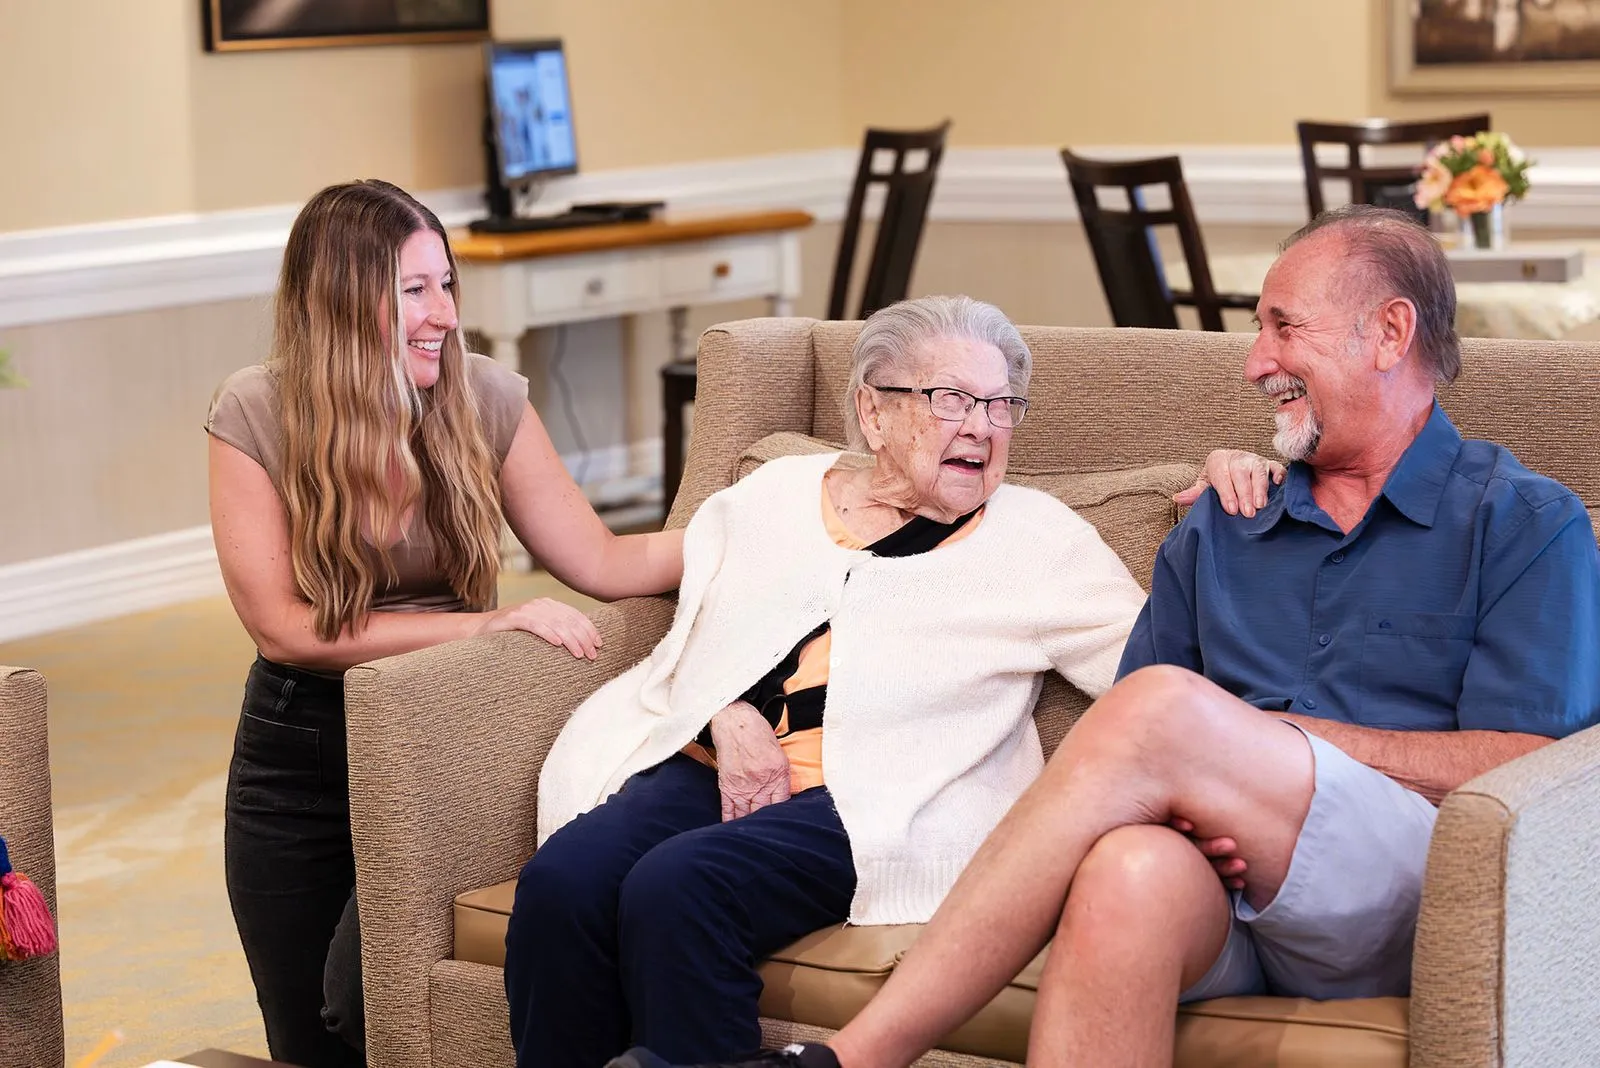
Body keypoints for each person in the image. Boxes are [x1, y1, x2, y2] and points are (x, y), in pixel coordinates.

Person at [612, 206, 1600, 1068]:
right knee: (1127, 872)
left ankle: (855, 1057)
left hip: (1411, 890)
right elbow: (1127, 747)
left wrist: (1245, 752)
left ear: (1390, 333)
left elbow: (1527, 765)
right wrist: (1197, 787)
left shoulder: (1521, 521)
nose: (1256, 362)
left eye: (1283, 328)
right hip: (1229, 885)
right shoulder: (1225, 520)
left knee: (1171, 714)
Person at [507, 294, 1271, 1068]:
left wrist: (1238, 521)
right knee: (561, 886)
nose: (981, 425)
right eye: (951, 400)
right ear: (873, 411)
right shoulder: (773, 495)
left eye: (1001, 405)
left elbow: (1165, 683)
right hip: (712, 766)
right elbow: (699, 626)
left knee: (680, 888)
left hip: (876, 805)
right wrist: (722, 712)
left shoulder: (1038, 542)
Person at [205, 179, 684, 1068]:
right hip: (297, 749)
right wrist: (479, 628)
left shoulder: (487, 398)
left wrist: (761, 535)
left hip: (441, 737)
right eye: (413, 292)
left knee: (366, 1003)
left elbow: (603, 561)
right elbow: (283, 628)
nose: (444, 315)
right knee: (305, 1039)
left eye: (447, 285)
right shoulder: (256, 413)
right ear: (344, 304)